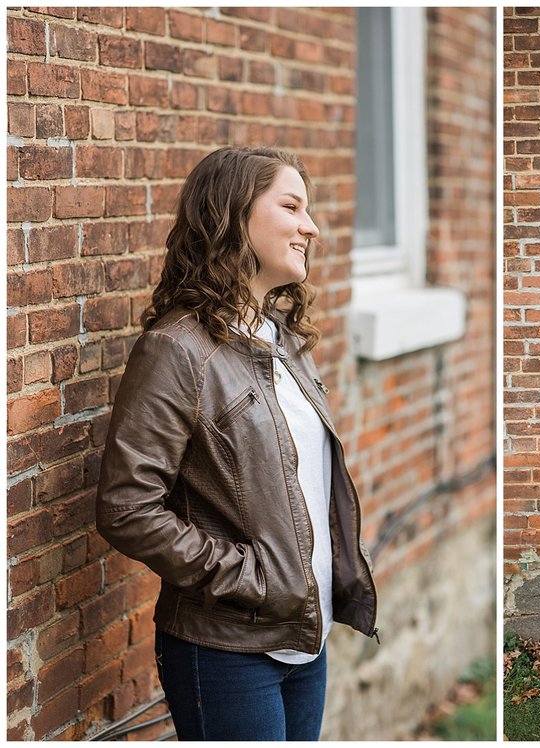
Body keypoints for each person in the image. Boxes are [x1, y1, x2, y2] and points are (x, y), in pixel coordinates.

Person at [96, 146, 378, 741]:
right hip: (226, 652)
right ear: (234, 215)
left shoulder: (282, 342)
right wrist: (250, 577)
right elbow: (127, 507)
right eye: (291, 205)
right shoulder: (178, 350)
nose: (311, 226)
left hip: (307, 640)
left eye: (310, 209)